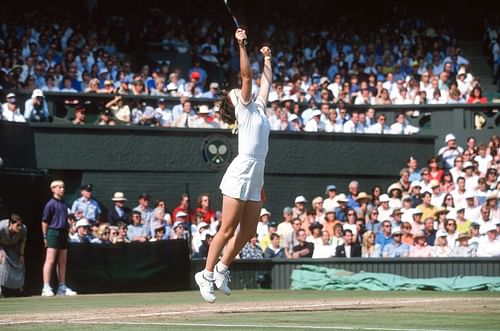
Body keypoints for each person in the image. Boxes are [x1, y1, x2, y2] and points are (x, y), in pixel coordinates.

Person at [195, 28, 272, 303]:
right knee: (227, 229)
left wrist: (267, 59)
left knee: (249, 230)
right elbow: (248, 76)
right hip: (240, 172)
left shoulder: (260, 107)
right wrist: (241, 45)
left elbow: (265, 82)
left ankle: (222, 268)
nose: (239, 90)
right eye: (235, 92)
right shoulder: (243, 107)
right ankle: (204, 275)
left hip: (257, 173)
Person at [41, 180, 77, 296]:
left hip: (63, 233)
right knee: (50, 260)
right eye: (59, 187)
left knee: (62, 261)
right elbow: (45, 221)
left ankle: (62, 287)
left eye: (63, 187)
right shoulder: (50, 204)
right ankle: (46, 287)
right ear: (53, 189)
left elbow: (68, 219)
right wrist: (45, 236)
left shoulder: (64, 204)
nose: (62, 189)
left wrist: (70, 228)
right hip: (53, 232)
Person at [0, 214, 27, 296]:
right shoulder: (1, 227)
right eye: (17, 225)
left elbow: (23, 241)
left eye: (20, 225)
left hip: (13, 246)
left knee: (21, 263)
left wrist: (21, 254)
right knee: (2, 261)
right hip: (1, 245)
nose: (19, 227)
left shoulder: (23, 229)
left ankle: (20, 289)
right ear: (11, 224)